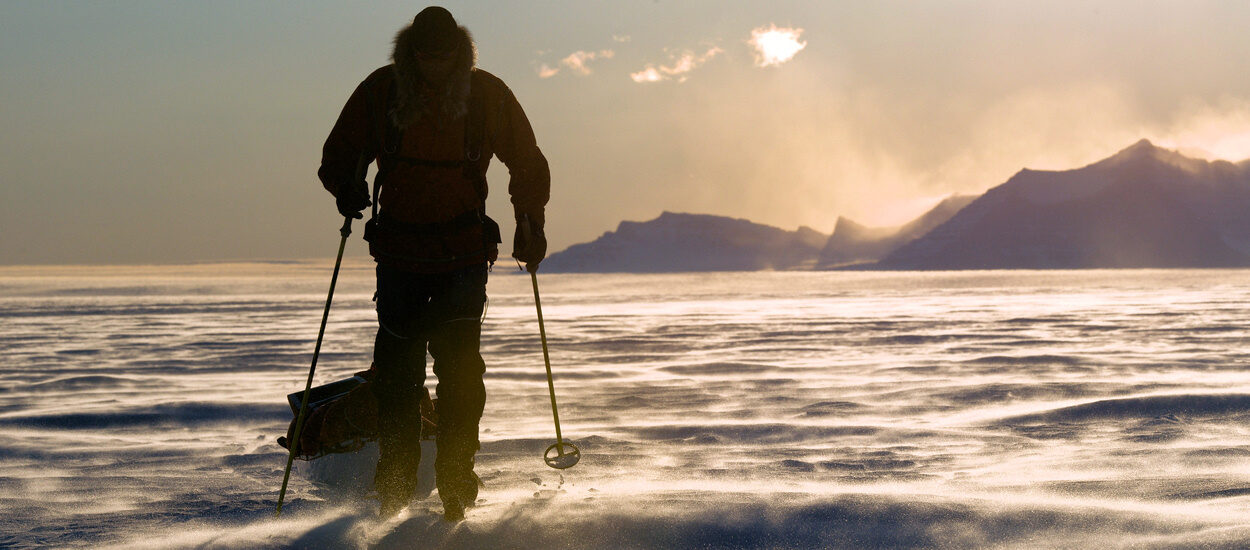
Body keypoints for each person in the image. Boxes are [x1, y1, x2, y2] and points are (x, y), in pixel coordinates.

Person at [317, 6, 549, 521]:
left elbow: (527, 160)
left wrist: (529, 221)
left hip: (463, 257)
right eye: (426, 56)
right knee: (399, 376)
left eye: (444, 57)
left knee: (461, 374)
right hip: (399, 255)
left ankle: (456, 477)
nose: (435, 66)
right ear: (413, 52)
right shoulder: (381, 91)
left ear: (458, 53)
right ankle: (396, 483)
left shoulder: (488, 95)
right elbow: (339, 152)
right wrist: (347, 186)